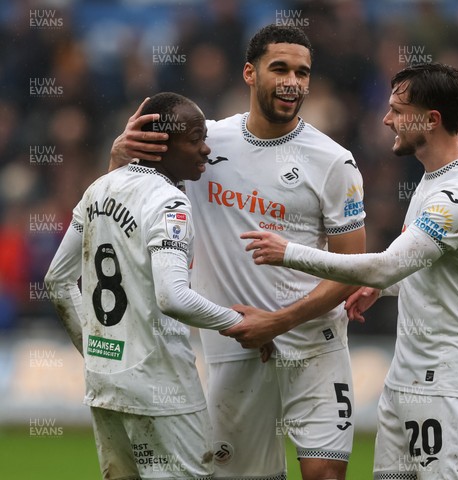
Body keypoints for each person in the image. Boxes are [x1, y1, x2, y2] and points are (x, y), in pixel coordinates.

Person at [110, 25, 366, 480]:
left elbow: (351, 269)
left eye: (303, 73)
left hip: (313, 342)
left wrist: (282, 319)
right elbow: (127, 193)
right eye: (280, 68)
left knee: (325, 474)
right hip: (235, 347)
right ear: (250, 73)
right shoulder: (200, 143)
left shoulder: (334, 162)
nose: (293, 81)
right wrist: (118, 156)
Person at [238, 63, 458, 479]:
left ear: (430, 119)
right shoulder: (437, 179)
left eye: (398, 110)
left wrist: (288, 252)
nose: (387, 119)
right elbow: (437, 273)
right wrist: (386, 290)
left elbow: (385, 265)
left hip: (451, 383)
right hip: (408, 378)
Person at [44, 92, 255, 480]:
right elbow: (172, 296)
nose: (205, 149)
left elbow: (56, 282)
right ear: (161, 144)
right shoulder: (169, 203)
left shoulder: (98, 189)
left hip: (105, 382)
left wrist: (94, 350)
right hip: (162, 386)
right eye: (195, 138)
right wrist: (237, 322)